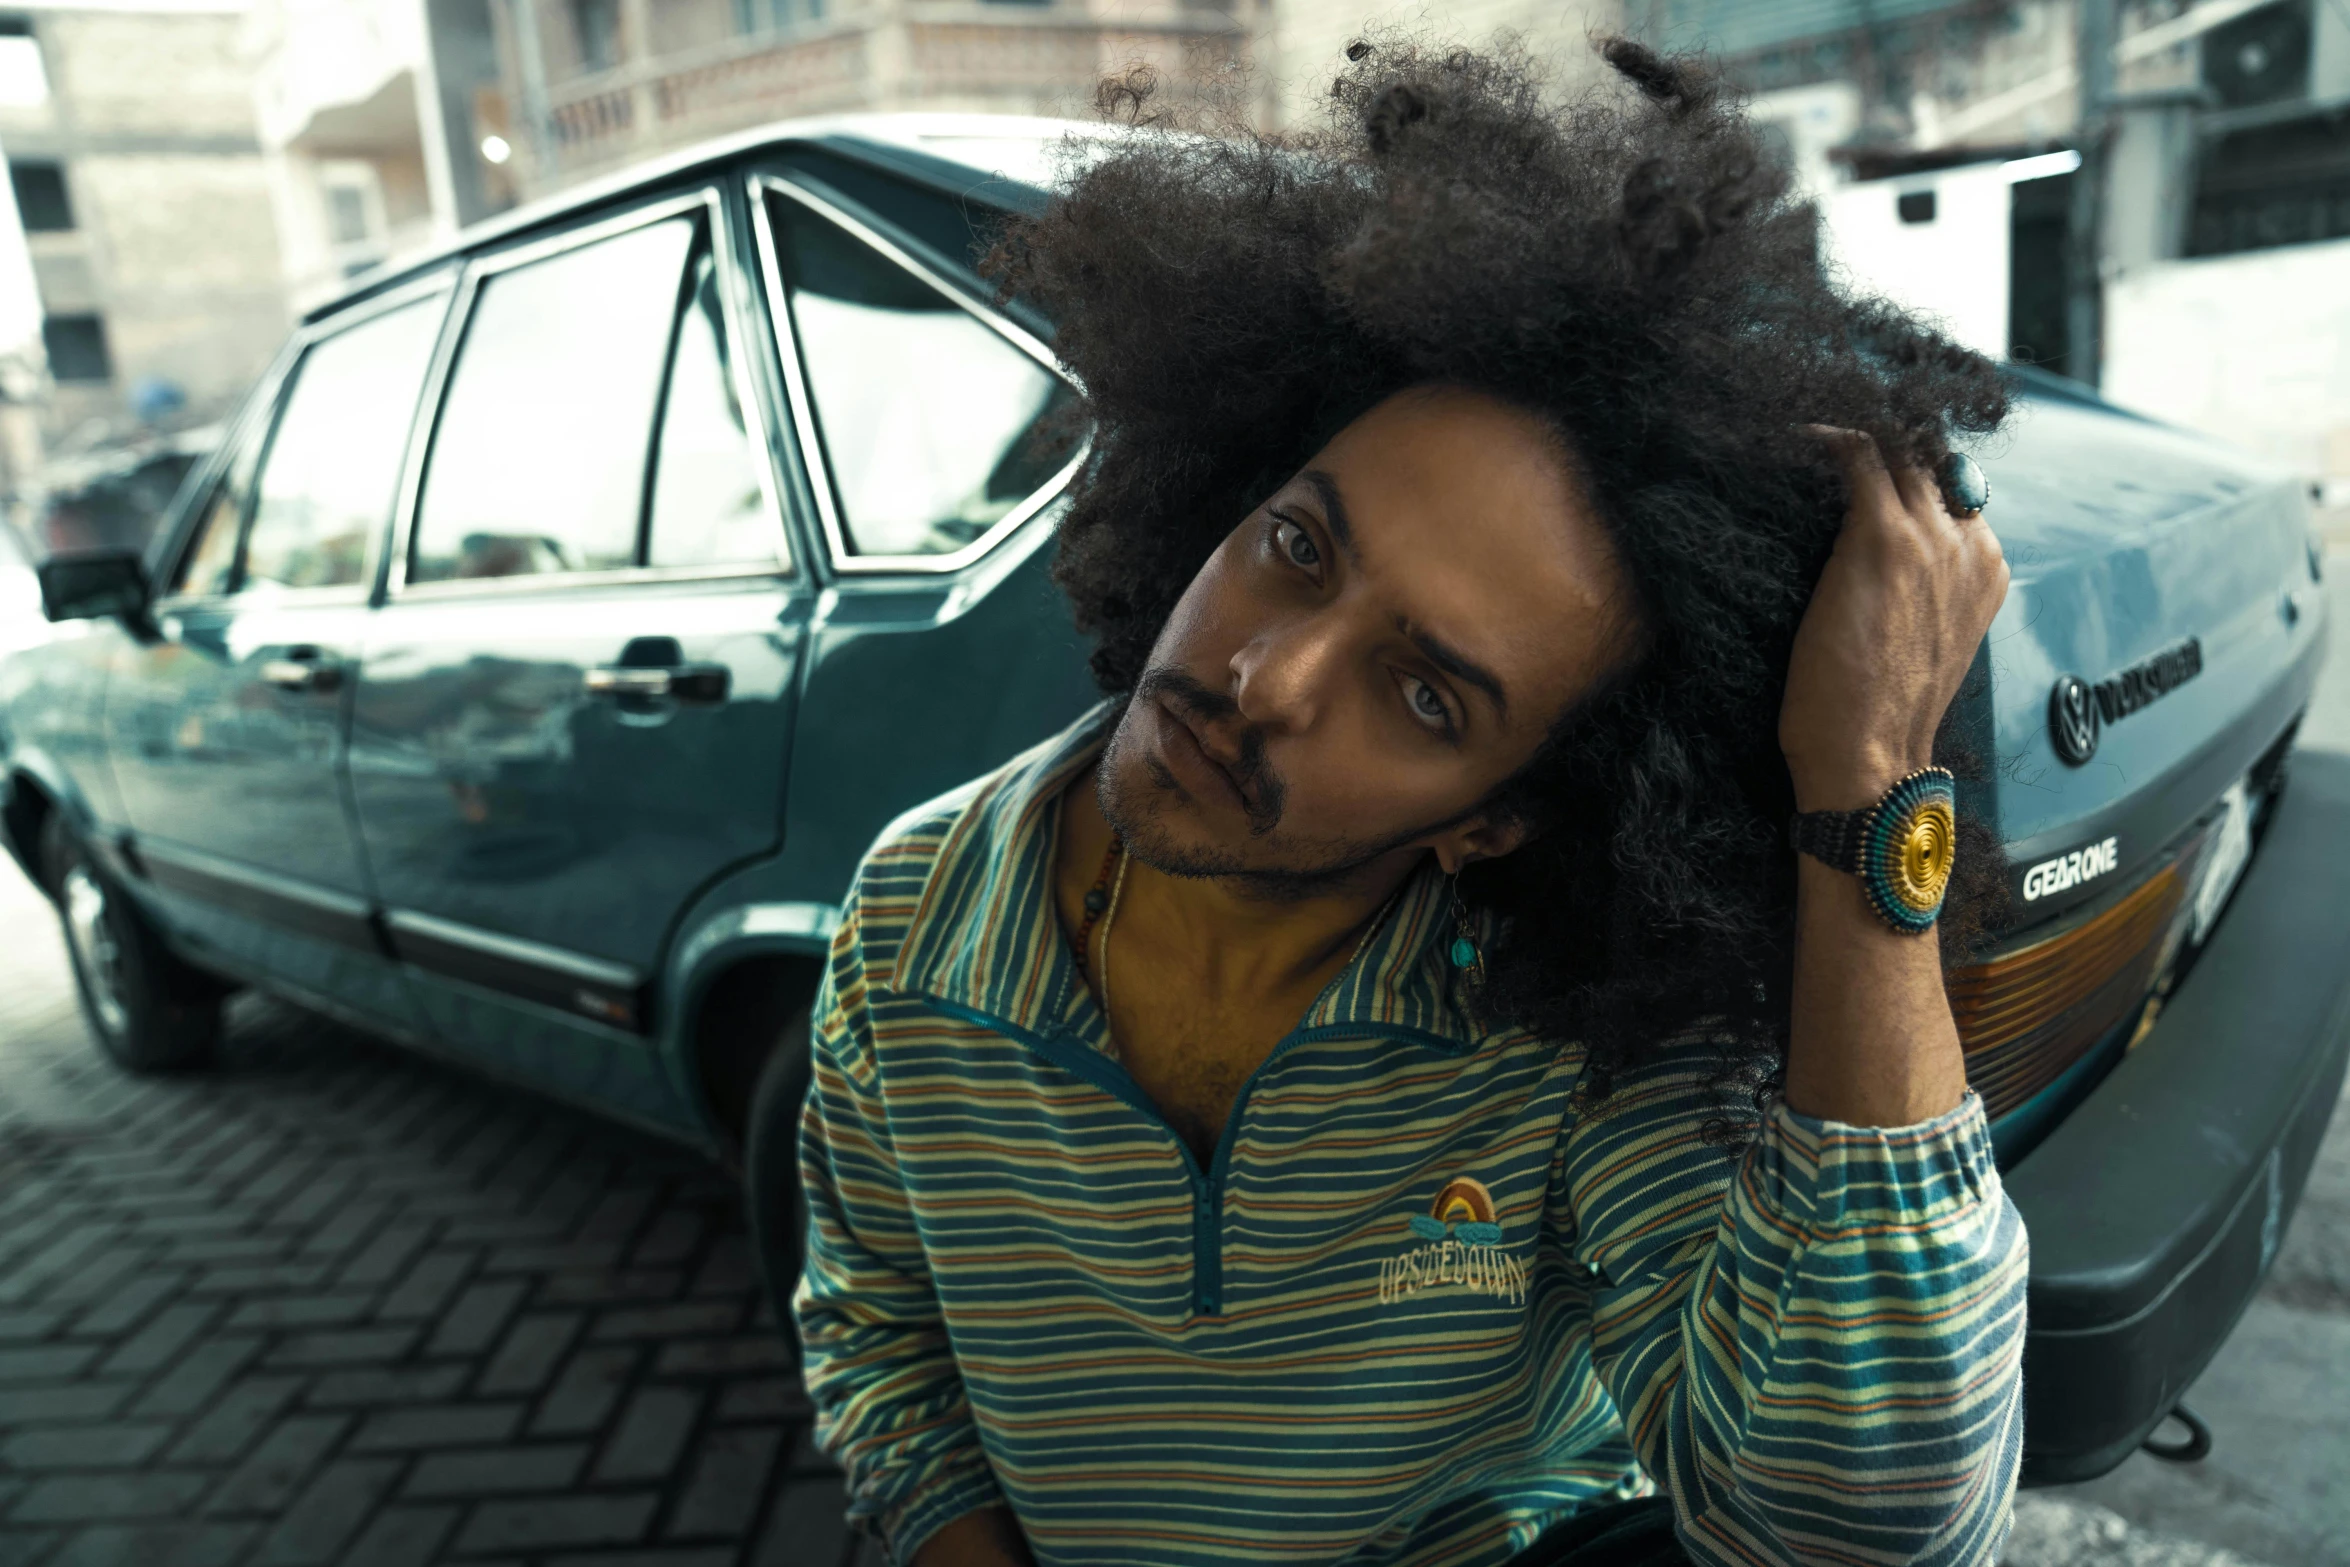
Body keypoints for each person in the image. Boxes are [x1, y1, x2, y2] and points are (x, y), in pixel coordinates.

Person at [792, 37, 2027, 1567]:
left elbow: (1860, 1532)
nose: (1263, 673)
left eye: (1424, 692)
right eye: (1297, 545)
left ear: (1493, 819)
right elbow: (879, 1342)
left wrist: (1865, 808)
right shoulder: (908, 925)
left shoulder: (1553, 1028)